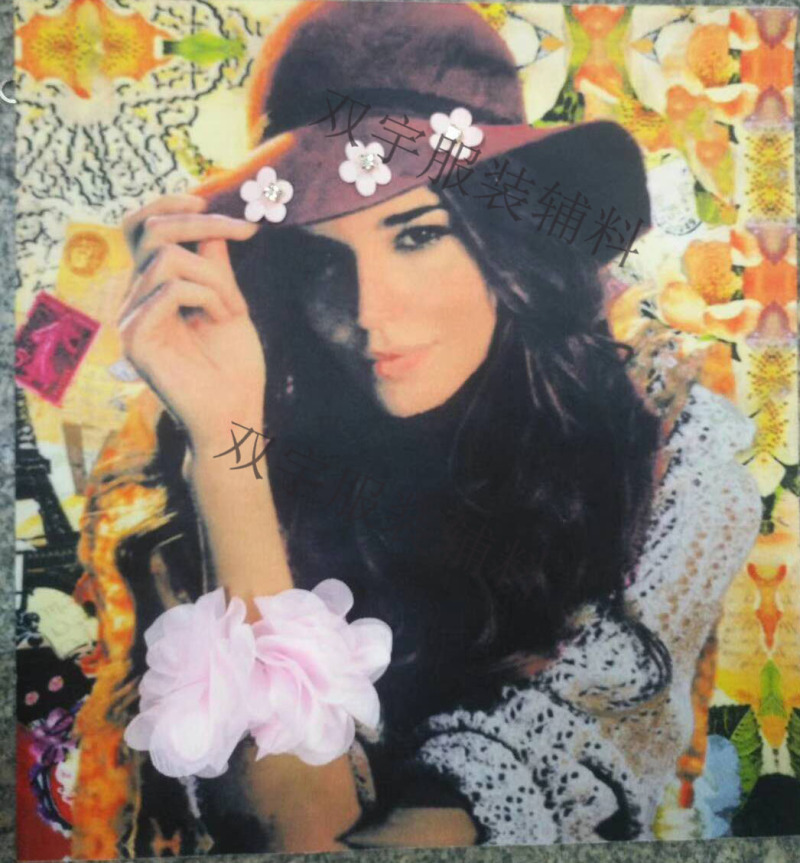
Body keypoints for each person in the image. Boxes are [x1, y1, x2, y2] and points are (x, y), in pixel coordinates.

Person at [72, 2, 762, 855]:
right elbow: (292, 821)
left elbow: (508, 786)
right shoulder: (240, 442)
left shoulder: (670, 448)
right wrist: (226, 452)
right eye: (322, 259)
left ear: (506, 243)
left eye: (418, 235)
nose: (369, 312)